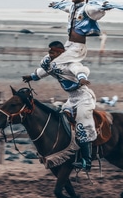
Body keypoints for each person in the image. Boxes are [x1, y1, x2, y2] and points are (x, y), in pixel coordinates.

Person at [22, 41, 97, 171]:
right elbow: (43, 71)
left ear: (61, 52)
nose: (49, 54)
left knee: (82, 125)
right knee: (61, 120)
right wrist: (31, 77)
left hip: (84, 99)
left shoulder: (70, 64)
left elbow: (79, 69)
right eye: (49, 51)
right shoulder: (53, 64)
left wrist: (81, 78)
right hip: (72, 100)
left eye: (52, 52)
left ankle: (87, 161)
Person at [49, 0, 109, 64]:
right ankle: (34, 76)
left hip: (78, 48)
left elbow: (95, 10)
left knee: (57, 63)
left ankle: (80, 75)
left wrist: (103, 8)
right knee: (48, 61)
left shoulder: (87, 9)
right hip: (68, 44)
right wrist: (57, 5)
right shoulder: (71, 7)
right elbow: (64, 6)